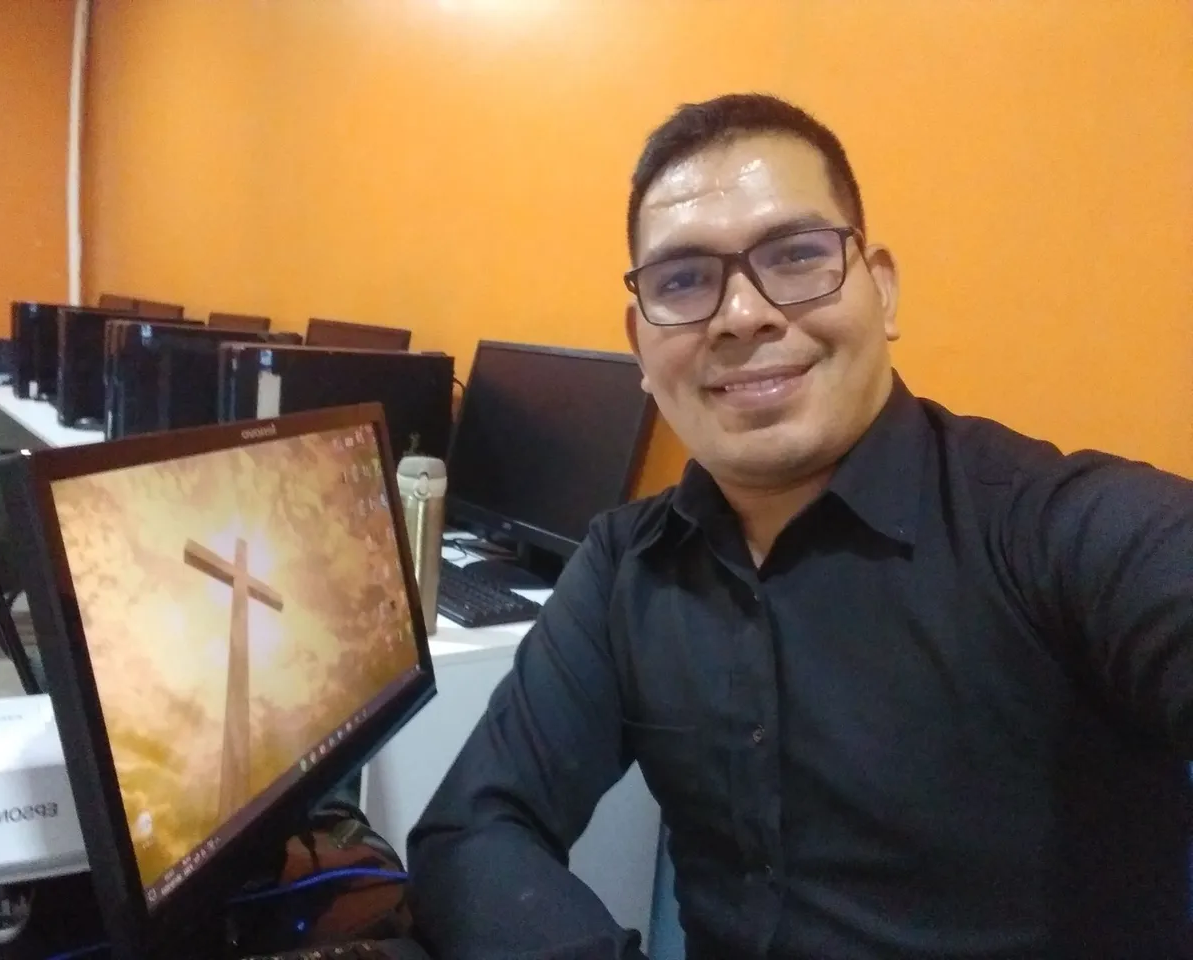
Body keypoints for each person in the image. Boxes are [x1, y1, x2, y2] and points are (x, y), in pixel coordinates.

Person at [405, 93, 1193, 959]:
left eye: (796, 255)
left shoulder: (1056, 532)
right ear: (641, 346)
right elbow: (472, 831)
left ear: (881, 290)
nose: (742, 313)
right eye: (683, 280)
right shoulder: (627, 564)